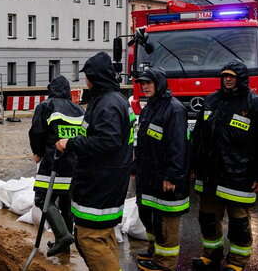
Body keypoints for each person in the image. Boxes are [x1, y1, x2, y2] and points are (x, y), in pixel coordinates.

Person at [190, 62, 258, 271]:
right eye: (224, 76)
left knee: (239, 222)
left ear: (241, 79)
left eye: (232, 76)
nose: (227, 80)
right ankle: (211, 254)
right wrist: (193, 165)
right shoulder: (211, 101)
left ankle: (237, 261)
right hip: (210, 175)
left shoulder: (256, 104)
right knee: (208, 218)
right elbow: (198, 137)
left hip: (240, 175)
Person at [55, 52, 134, 271]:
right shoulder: (114, 100)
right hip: (108, 180)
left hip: (100, 182)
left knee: (90, 239)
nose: (85, 82)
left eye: (88, 77)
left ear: (96, 78)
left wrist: (70, 144)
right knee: (103, 236)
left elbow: (106, 142)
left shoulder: (107, 104)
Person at [133, 67, 190, 271]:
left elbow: (178, 147)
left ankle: (165, 263)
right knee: (150, 216)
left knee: (167, 222)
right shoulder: (150, 107)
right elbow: (143, 140)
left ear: (159, 84)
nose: (145, 87)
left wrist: (172, 176)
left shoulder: (174, 109)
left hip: (166, 176)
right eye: (142, 83)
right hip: (149, 175)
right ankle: (154, 252)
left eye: (148, 83)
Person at [28, 75, 83, 257]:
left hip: (54, 161)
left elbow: (37, 131)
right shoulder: (78, 109)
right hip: (75, 164)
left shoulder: (46, 106)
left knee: (43, 199)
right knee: (66, 204)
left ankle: (63, 236)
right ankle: (64, 243)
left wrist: (37, 152)